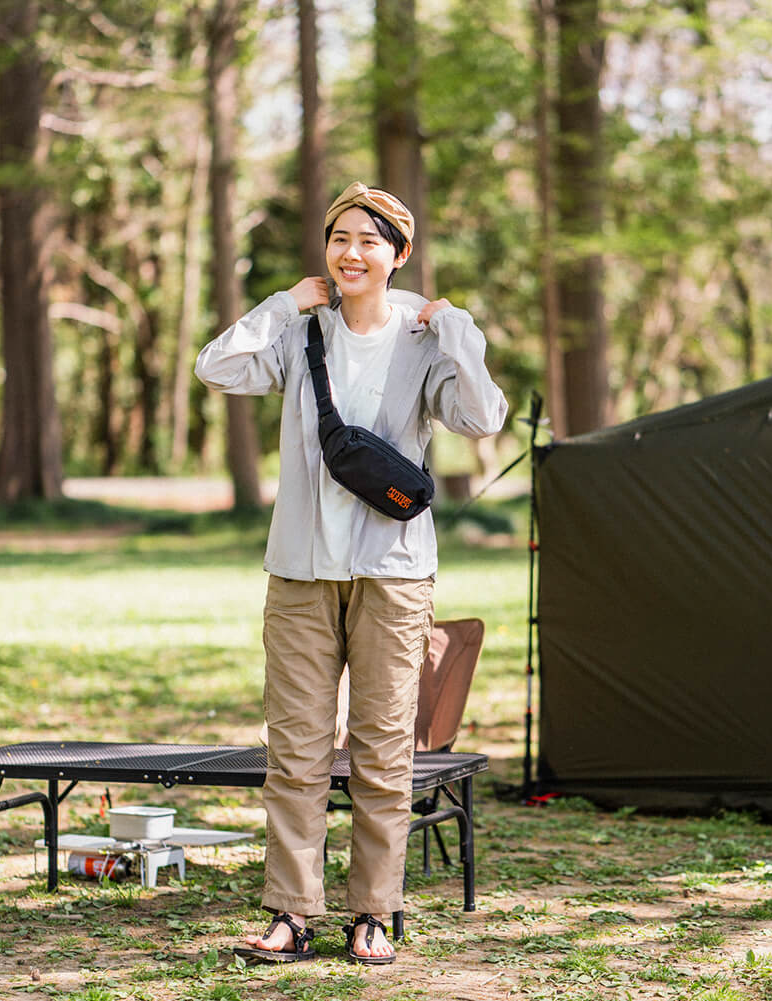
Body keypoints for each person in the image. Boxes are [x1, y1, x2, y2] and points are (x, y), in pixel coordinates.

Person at [194, 182, 507, 965]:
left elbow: (483, 417)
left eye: (369, 240)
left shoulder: (424, 340)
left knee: (379, 751)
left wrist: (459, 330)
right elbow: (215, 366)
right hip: (300, 569)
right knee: (294, 751)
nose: (350, 253)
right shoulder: (303, 332)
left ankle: (375, 911)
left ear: (399, 254)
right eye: (338, 239)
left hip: (393, 574)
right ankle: (291, 912)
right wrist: (279, 302)